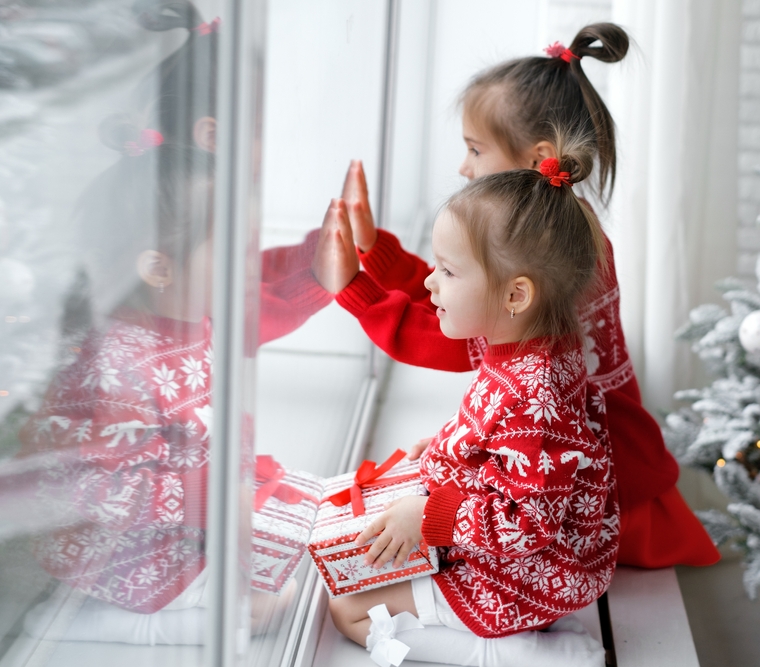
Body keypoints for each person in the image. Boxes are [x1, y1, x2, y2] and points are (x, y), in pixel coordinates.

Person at [339, 23, 718, 569]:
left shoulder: (561, 256)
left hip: (586, 457)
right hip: (558, 440)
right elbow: (456, 285)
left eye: (474, 149)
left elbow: (452, 334)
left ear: (537, 154)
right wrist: (379, 254)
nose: (464, 168)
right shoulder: (559, 233)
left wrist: (354, 291)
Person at [19, 142, 335, 645]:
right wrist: (211, 495)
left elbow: (246, 339)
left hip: (192, 518)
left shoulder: (191, 318)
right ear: (159, 269)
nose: (253, 265)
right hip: (121, 553)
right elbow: (100, 490)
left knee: (308, 549)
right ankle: (99, 623)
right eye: (237, 251)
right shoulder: (117, 367)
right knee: (275, 600)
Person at [318, 146, 618, 667]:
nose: (431, 282)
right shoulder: (532, 346)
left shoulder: (533, 393)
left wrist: (431, 512)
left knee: (348, 610)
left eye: (449, 273)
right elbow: (502, 441)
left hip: (528, 573)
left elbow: (527, 523)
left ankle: (526, 654)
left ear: (516, 295)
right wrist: (448, 448)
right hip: (538, 561)